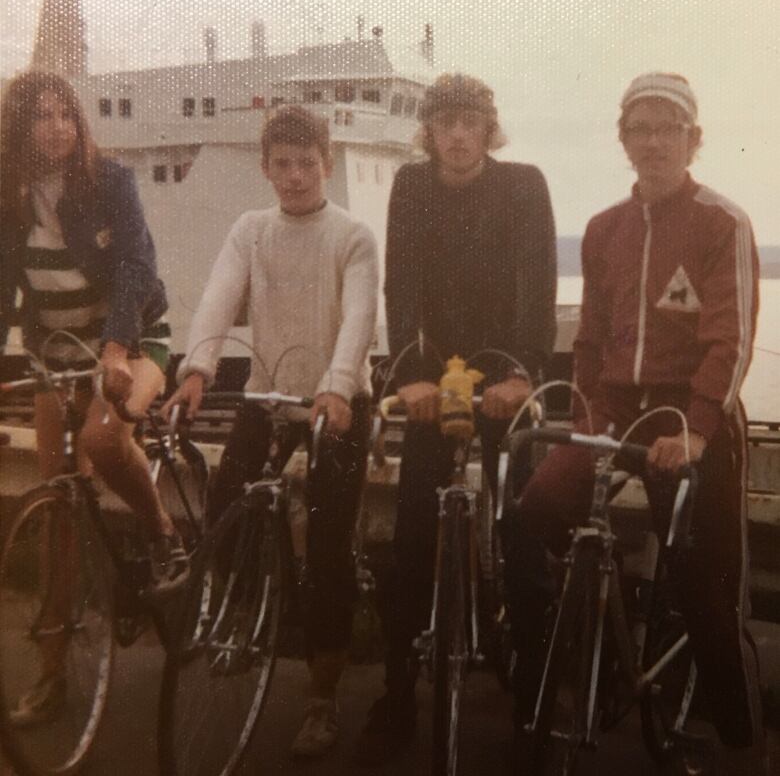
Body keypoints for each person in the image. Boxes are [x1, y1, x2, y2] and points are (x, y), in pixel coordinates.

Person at [510, 72, 766, 773]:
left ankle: (744, 749)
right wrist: (586, 415)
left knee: (703, 591)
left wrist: (697, 428)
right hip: (617, 409)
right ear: (624, 140)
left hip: (690, 414)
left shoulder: (722, 221)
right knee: (536, 509)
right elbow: (590, 339)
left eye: (669, 128)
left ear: (694, 139)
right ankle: (591, 647)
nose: (654, 141)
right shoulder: (603, 230)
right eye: (640, 129)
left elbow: (732, 340)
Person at [354, 73, 557, 765]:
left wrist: (523, 372)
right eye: (447, 123)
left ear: (488, 129)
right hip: (433, 380)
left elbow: (540, 284)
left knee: (524, 534)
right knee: (412, 537)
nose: (460, 135)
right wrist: (409, 376)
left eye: (472, 122)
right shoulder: (411, 188)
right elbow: (401, 285)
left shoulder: (524, 184)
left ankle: (534, 702)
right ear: (430, 132)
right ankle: (397, 693)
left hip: (506, 374)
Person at [164, 104, 378, 758]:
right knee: (224, 514)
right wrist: (198, 368)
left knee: (330, 552)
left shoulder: (352, 235)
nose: (293, 177)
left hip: (335, 403)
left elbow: (360, 320)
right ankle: (258, 616)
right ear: (265, 167)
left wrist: (338, 387)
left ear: (327, 164)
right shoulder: (249, 230)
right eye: (281, 165)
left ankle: (321, 696)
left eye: (306, 164)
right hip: (267, 395)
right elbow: (219, 298)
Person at [0, 70, 183, 725]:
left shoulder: (111, 181)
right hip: (56, 354)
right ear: (18, 129)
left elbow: (135, 265)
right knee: (56, 511)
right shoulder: (7, 195)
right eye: (39, 117)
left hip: (131, 340)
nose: (55, 128)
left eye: (64, 115)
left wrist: (115, 346)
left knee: (105, 440)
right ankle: (51, 678)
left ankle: (162, 533)